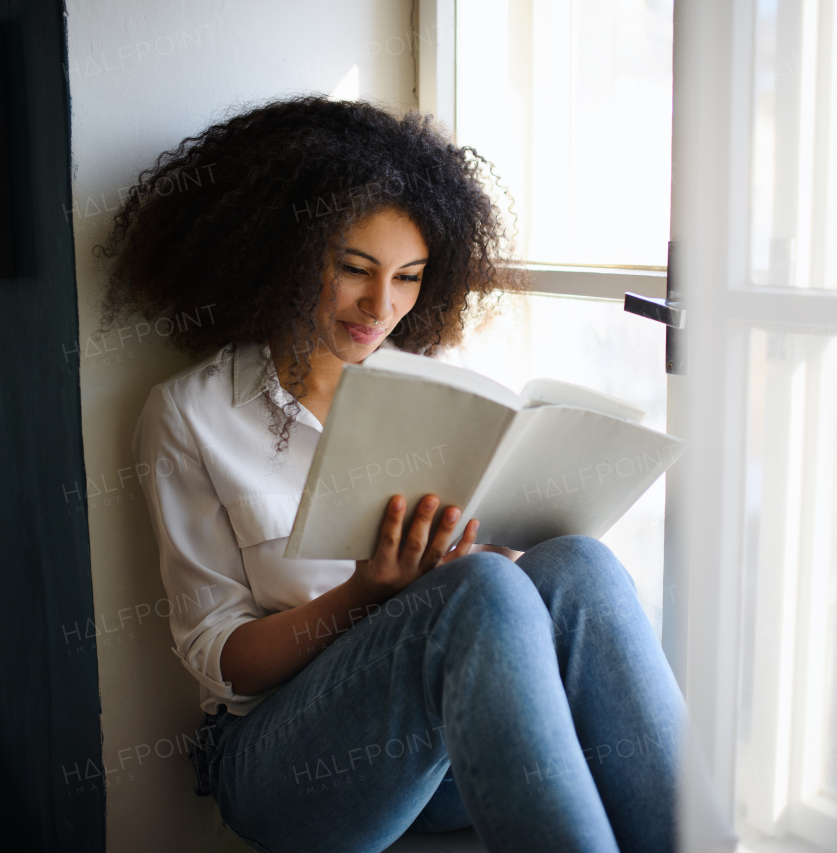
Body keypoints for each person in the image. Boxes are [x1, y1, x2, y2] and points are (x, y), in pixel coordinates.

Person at [97, 95, 686, 853]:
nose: (383, 306)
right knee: (475, 592)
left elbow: (493, 599)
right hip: (281, 758)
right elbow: (223, 659)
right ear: (285, 250)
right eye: (355, 269)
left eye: (409, 277)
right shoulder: (191, 415)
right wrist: (368, 591)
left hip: (441, 754)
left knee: (579, 563)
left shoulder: (434, 395)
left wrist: (493, 545)